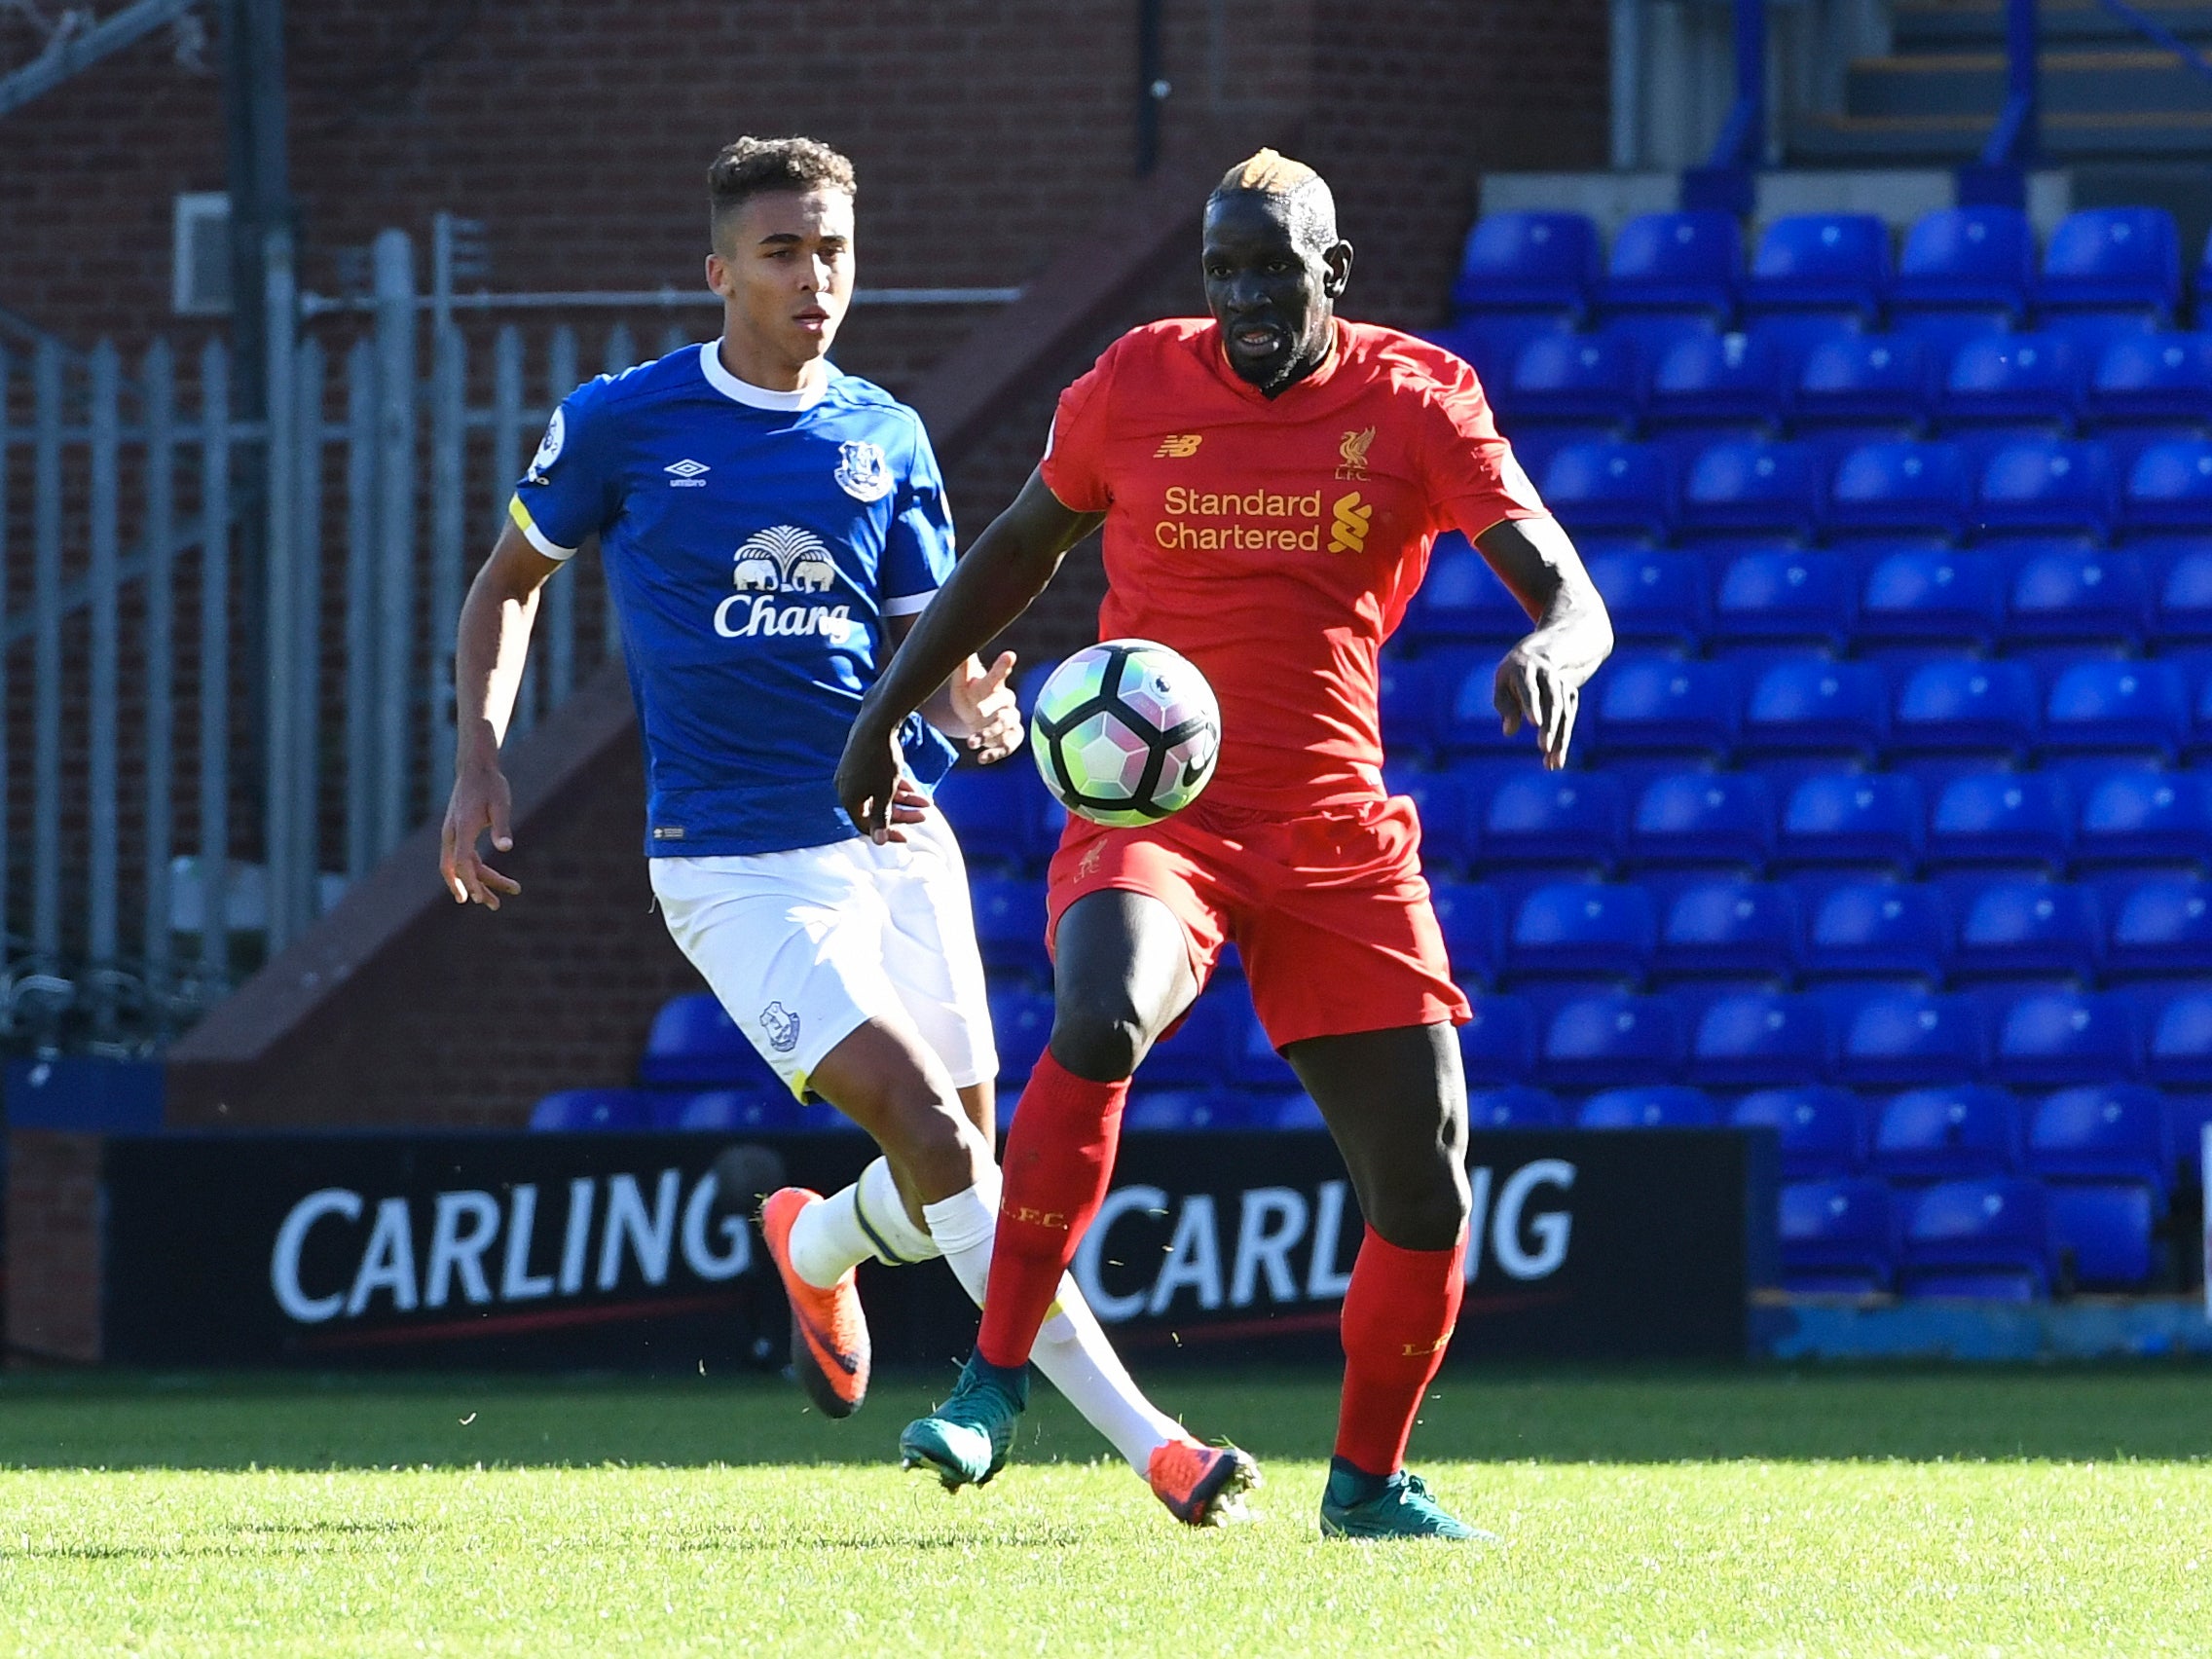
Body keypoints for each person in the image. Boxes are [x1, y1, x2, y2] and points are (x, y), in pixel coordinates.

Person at [438, 134, 1256, 1527]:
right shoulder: (624, 423)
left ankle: (815, 1243)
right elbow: (506, 587)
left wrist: (979, 712)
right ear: (718, 273)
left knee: (967, 1167)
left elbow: (925, 652)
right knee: (935, 1136)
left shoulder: (884, 436)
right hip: (733, 864)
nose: (816, 278)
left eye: (833, 250)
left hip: (897, 834)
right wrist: (477, 760)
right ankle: (1159, 1450)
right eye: (783, 252)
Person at [837, 149, 1614, 1540]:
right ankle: (990, 1385)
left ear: (1335, 272)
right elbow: (1018, 551)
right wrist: (891, 711)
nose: (1247, 294)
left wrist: (1553, 646)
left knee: (1426, 1184)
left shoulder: (1417, 396)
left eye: (1275, 267)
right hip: (1156, 817)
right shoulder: (1137, 383)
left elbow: (1568, 589)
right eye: (1226, 269)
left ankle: (1367, 1486)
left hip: (1333, 833)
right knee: (1101, 1009)